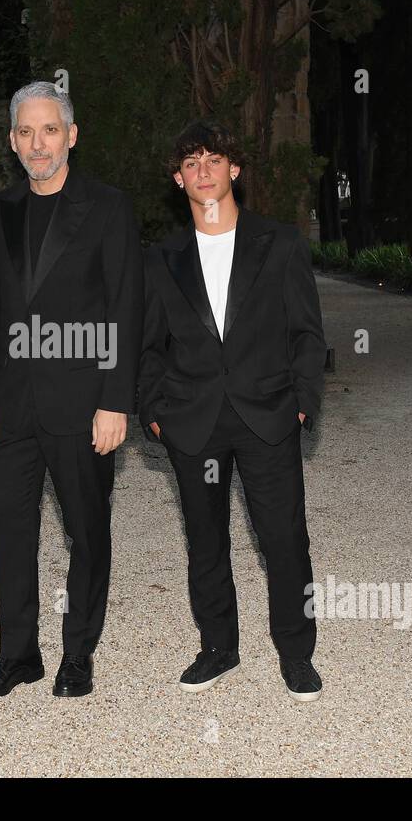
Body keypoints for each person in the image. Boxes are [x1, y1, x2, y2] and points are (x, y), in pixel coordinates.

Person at [0, 82, 142, 699]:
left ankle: (78, 653)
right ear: (13, 141)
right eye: (25, 132)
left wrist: (115, 399)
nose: (37, 143)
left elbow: (124, 308)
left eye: (48, 130)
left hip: (84, 402)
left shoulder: (109, 207)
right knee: (8, 528)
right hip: (10, 404)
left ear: (71, 134)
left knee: (87, 530)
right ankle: (18, 655)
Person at [139, 120, 327, 700]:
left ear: (233, 170)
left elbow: (306, 334)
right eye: (190, 163)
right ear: (178, 179)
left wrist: (301, 404)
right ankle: (218, 648)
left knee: (284, 538)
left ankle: (296, 654)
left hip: (268, 415)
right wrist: (153, 411)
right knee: (206, 540)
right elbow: (145, 346)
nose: (203, 171)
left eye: (213, 160)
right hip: (193, 421)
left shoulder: (281, 243)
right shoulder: (160, 258)